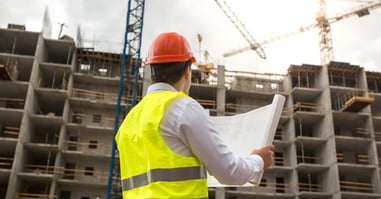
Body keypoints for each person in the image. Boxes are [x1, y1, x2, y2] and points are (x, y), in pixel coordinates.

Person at [116, 32, 275, 198]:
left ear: (152, 69)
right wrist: (259, 159)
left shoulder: (129, 122)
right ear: (187, 71)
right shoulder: (182, 108)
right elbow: (229, 172)